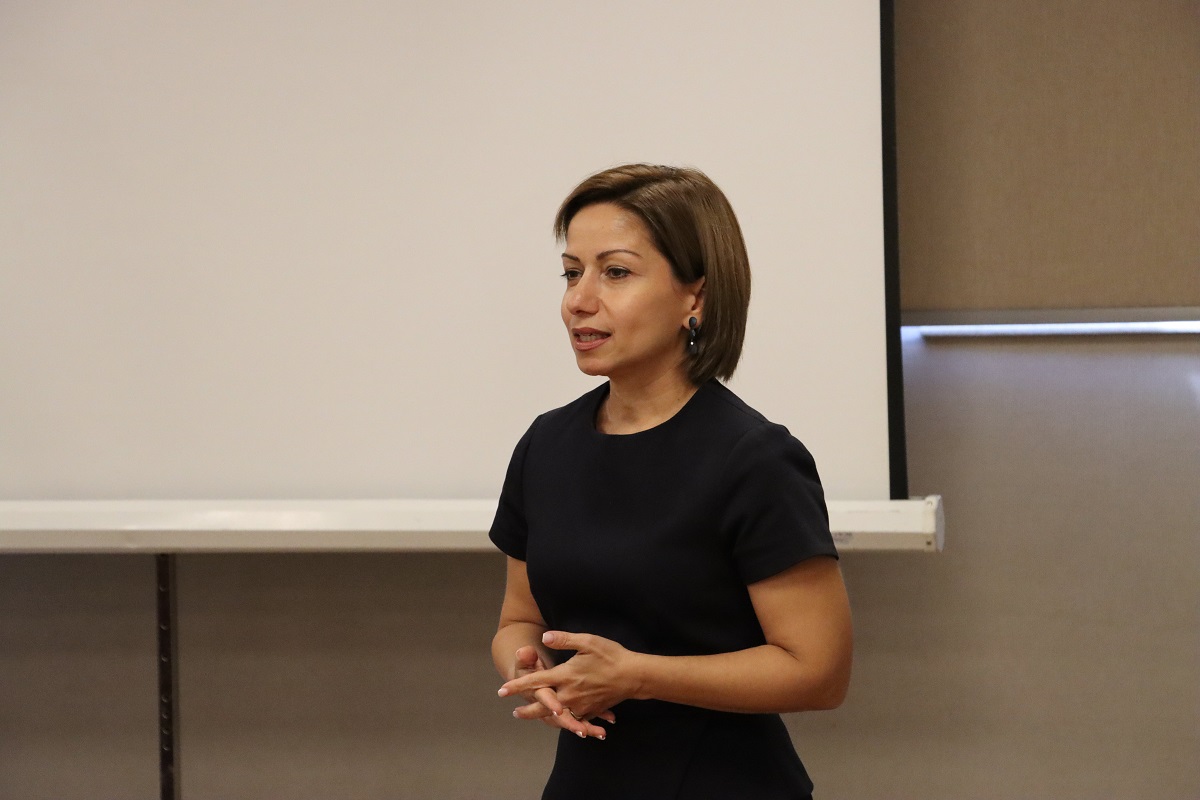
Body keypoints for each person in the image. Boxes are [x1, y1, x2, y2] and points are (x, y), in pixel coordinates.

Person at [489, 163, 853, 799]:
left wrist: (638, 675)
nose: (579, 300)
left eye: (616, 272)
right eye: (572, 273)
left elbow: (819, 673)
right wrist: (532, 671)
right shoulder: (546, 445)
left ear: (696, 298)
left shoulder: (755, 458)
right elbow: (518, 620)